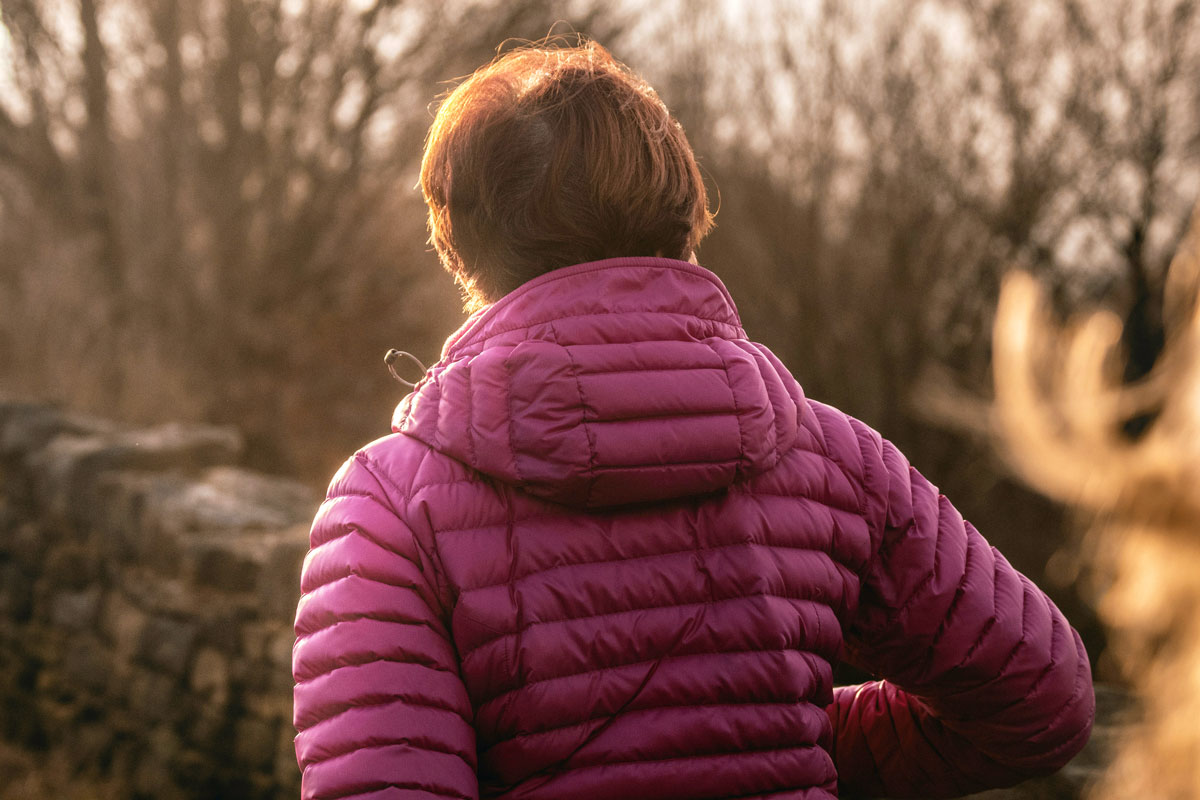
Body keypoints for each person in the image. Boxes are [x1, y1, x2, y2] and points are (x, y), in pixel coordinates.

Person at [291, 38, 1094, 800]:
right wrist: (788, 746)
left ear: (459, 241)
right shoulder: (840, 461)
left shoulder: (385, 510)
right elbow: (1042, 697)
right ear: (682, 212)